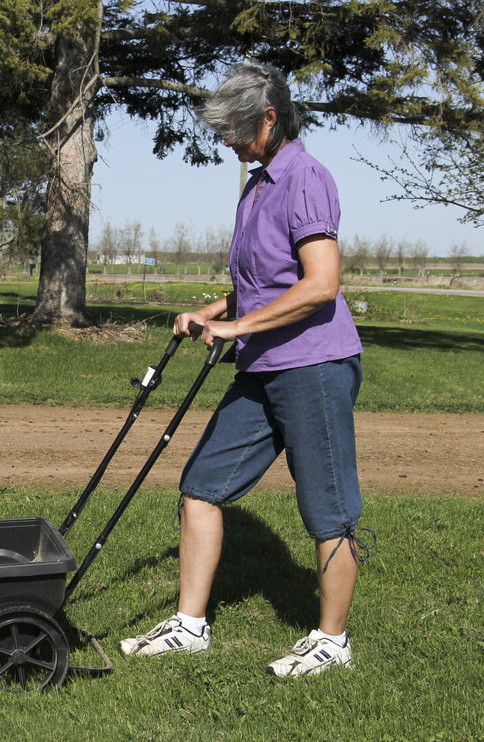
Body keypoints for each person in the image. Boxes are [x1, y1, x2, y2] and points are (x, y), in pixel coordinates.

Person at [119, 61, 373, 677]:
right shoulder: (256, 186)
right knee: (201, 485)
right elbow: (262, 286)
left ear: (268, 117)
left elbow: (320, 285)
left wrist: (235, 328)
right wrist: (210, 312)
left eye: (234, 128)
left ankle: (331, 641)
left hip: (314, 363)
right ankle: (190, 625)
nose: (225, 140)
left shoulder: (307, 178)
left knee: (328, 510)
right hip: (261, 366)